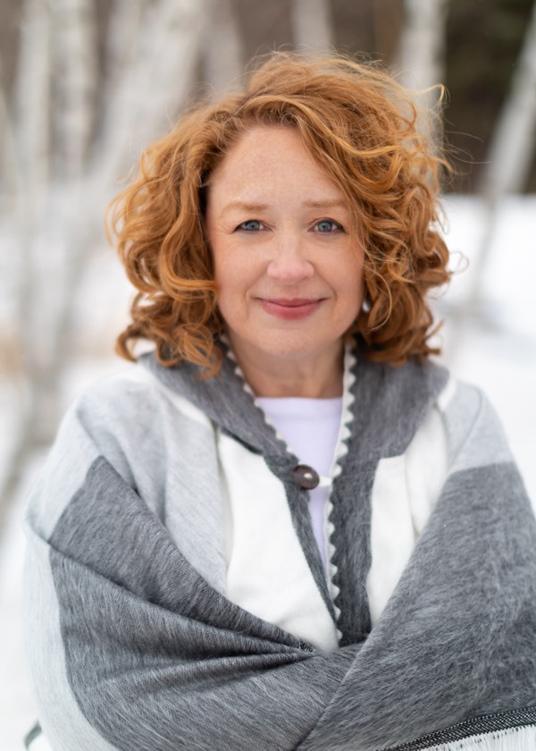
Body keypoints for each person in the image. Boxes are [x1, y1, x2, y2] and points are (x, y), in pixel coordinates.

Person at [23, 51, 536, 751]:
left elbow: (506, 679)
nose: (289, 265)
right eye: (250, 225)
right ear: (199, 245)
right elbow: (94, 697)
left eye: (327, 224)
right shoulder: (117, 440)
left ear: (375, 244)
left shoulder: (457, 426)